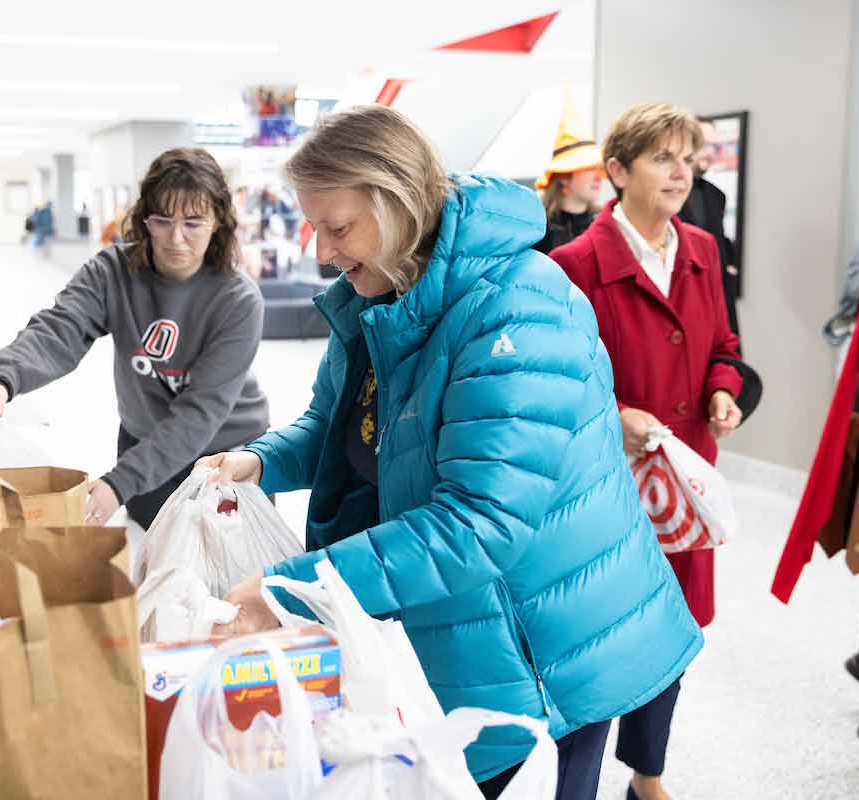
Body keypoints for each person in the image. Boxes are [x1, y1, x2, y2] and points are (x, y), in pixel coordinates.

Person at [199, 105, 702, 799]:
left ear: (400, 204)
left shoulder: (517, 309)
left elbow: (479, 524)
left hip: (553, 642)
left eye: (338, 227)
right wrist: (256, 461)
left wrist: (290, 589)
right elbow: (340, 426)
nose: (321, 252)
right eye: (315, 226)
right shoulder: (382, 293)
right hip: (472, 626)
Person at [549, 102, 744, 800]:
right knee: (598, 648)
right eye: (664, 157)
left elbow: (724, 346)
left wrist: (725, 390)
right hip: (604, 490)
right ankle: (576, 788)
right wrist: (614, 412)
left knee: (673, 635)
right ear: (616, 170)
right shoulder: (572, 266)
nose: (682, 172)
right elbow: (553, 384)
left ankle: (648, 775)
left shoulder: (701, 250)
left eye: (688, 159)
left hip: (684, 486)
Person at [0, 148, 269, 530]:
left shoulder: (237, 299)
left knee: (227, 570)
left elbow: (199, 413)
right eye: (162, 220)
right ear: (143, 220)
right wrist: (4, 378)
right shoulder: (112, 272)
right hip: (147, 445)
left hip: (228, 455)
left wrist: (119, 483)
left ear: (218, 222)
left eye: (193, 223)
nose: (175, 238)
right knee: (151, 560)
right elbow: (61, 329)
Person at [679, 119, 741, 336]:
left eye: (715, 147)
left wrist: (730, 265)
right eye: (705, 145)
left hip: (717, 303)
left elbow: (719, 241)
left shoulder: (716, 196)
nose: (711, 153)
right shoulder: (665, 195)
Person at [532, 94, 605, 254]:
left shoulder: (607, 225)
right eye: (588, 167)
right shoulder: (537, 232)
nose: (599, 176)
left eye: (598, 167)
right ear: (563, 176)